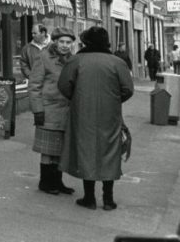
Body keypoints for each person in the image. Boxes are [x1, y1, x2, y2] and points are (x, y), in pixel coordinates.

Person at [58, 26, 134, 210]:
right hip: (110, 114)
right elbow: (128, 89)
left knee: (86, 152)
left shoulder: (76, 61)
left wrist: (77, 99)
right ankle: (108, 200)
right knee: (109, 152)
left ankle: (89, 198)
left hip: (83, 113)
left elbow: (64, 85)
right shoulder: (117, 62)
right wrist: (114, 101)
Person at [28, 26, 77, 195]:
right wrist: (37, 110)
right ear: (55, 42)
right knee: (48, 150)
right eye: (62, 41)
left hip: (66, 111)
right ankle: (45, 182)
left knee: (61, 149)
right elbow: (34, 86)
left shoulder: (73, 60)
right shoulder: (43, 57)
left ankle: (58, 181)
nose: (65, 45)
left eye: (68, 42)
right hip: (48, 110)